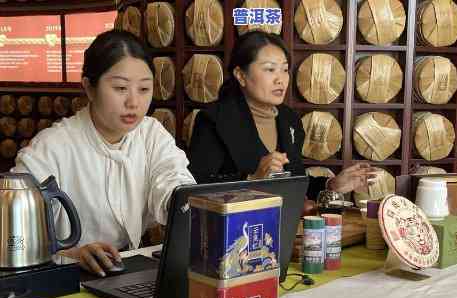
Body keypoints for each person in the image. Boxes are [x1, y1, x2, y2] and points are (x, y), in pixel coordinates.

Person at [12, 30, 195, 276]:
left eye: (144, 89)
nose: (133, 102)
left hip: (126, 270)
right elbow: (16, 233)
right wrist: (70, 254)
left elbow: (172, 178)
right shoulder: (51, 148)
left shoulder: (150, 133)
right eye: (120, 88)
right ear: (89, 88)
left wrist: (183, 203)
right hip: (62, 278)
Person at [188, 31, 375, 199]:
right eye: (270, 69)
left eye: (285, 69)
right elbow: (195, 189)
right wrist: (252, 180)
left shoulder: (289, 120)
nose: (280, 79)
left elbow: (294, 181)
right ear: (240, 75)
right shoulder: (214, 120)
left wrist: (331, 185)